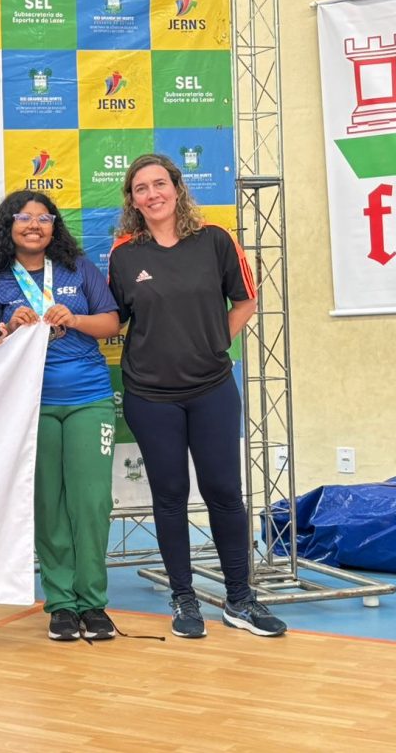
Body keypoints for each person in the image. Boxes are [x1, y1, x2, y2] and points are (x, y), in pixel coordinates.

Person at [107, 153, 286, 639]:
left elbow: (246, 300)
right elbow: (115, 318)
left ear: (177, 187)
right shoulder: (124, 254)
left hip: (211, 390)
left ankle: (240, 600)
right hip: (150, 396)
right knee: (169, 497)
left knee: (224, 493)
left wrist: (214, 342)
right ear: (132, 200)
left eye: (159, 184)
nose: (152, 194)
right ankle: (183, 598)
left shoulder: (215, 240)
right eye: (141, 188)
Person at [0, 190, 121, 642]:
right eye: (24, 217)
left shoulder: (78, 269)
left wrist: (75, 320)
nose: (34, 225)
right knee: (48, 505)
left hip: (88, 398)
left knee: (91, 503)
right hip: (30, 403)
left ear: (54, 227)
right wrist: (8, 328)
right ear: (9, 226)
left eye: (44, 218)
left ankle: (92, 602)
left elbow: (112, 323)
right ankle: (61, 604)